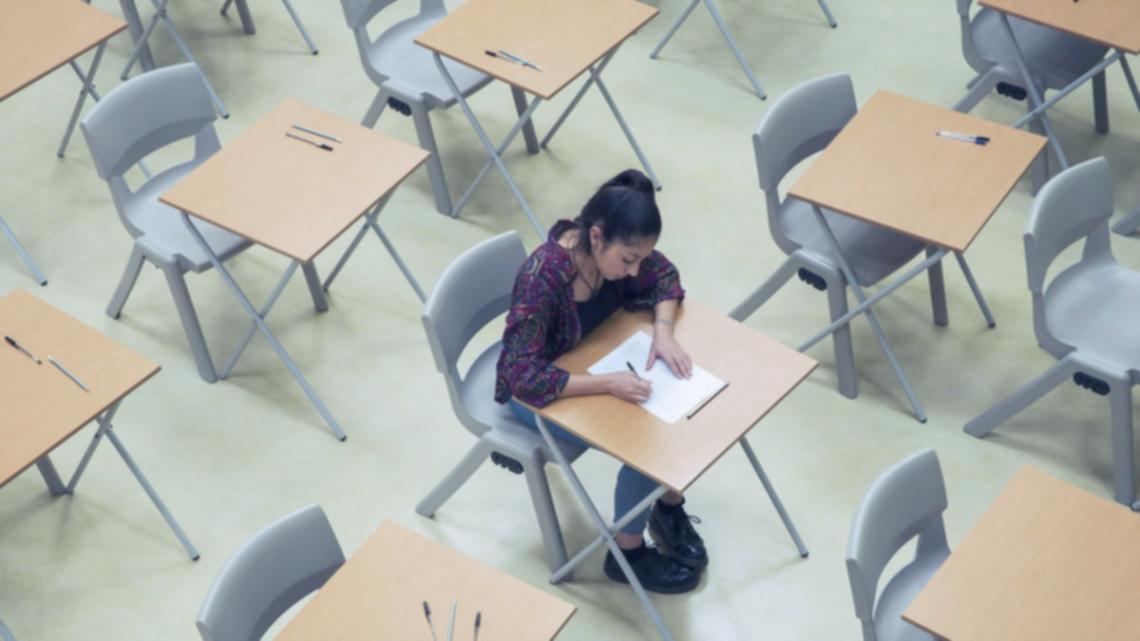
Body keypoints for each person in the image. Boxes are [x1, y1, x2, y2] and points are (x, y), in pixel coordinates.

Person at [495, 169, 705, 594]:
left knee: (675, 411)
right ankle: (626, 554)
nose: (634, 272)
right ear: (595, 237)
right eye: (628, 260)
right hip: (538, 393)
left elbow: (664, 276)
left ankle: (666, 505)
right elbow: (522, 375)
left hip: (592, 361)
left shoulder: (615, 255)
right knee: (643, 438)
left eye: (640, 259)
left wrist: (663, 331)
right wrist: (606, 384)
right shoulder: (544, 277)